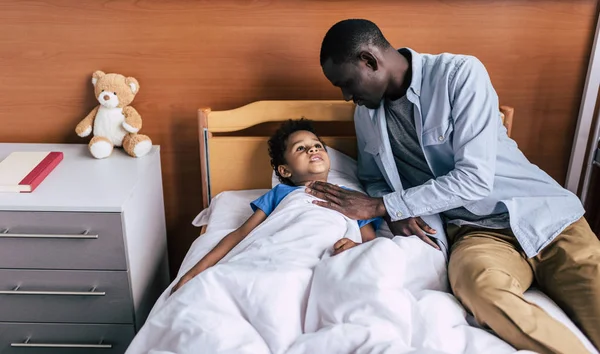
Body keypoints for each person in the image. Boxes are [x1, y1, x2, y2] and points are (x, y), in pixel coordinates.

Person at [308, 18, 600, 354]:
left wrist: (385, 206)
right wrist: (392, 208)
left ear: (370, 60)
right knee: (480, 292)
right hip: (475, 234)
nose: (346, 96)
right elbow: (374, 179)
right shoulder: (365, 117)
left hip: (546, 217)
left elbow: (474, 179)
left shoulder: (459, 75)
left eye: (346, 83)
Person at [170, 118, 381, 295]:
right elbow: (242, 234)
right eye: (301, 148)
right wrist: (192, 274)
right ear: (285, 170)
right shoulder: (281, 194)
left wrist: (355, 248)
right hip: (280, 254)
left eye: (317, 145)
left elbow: (372, 243)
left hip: (328, 257)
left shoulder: (352, 198)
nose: (312, 149)